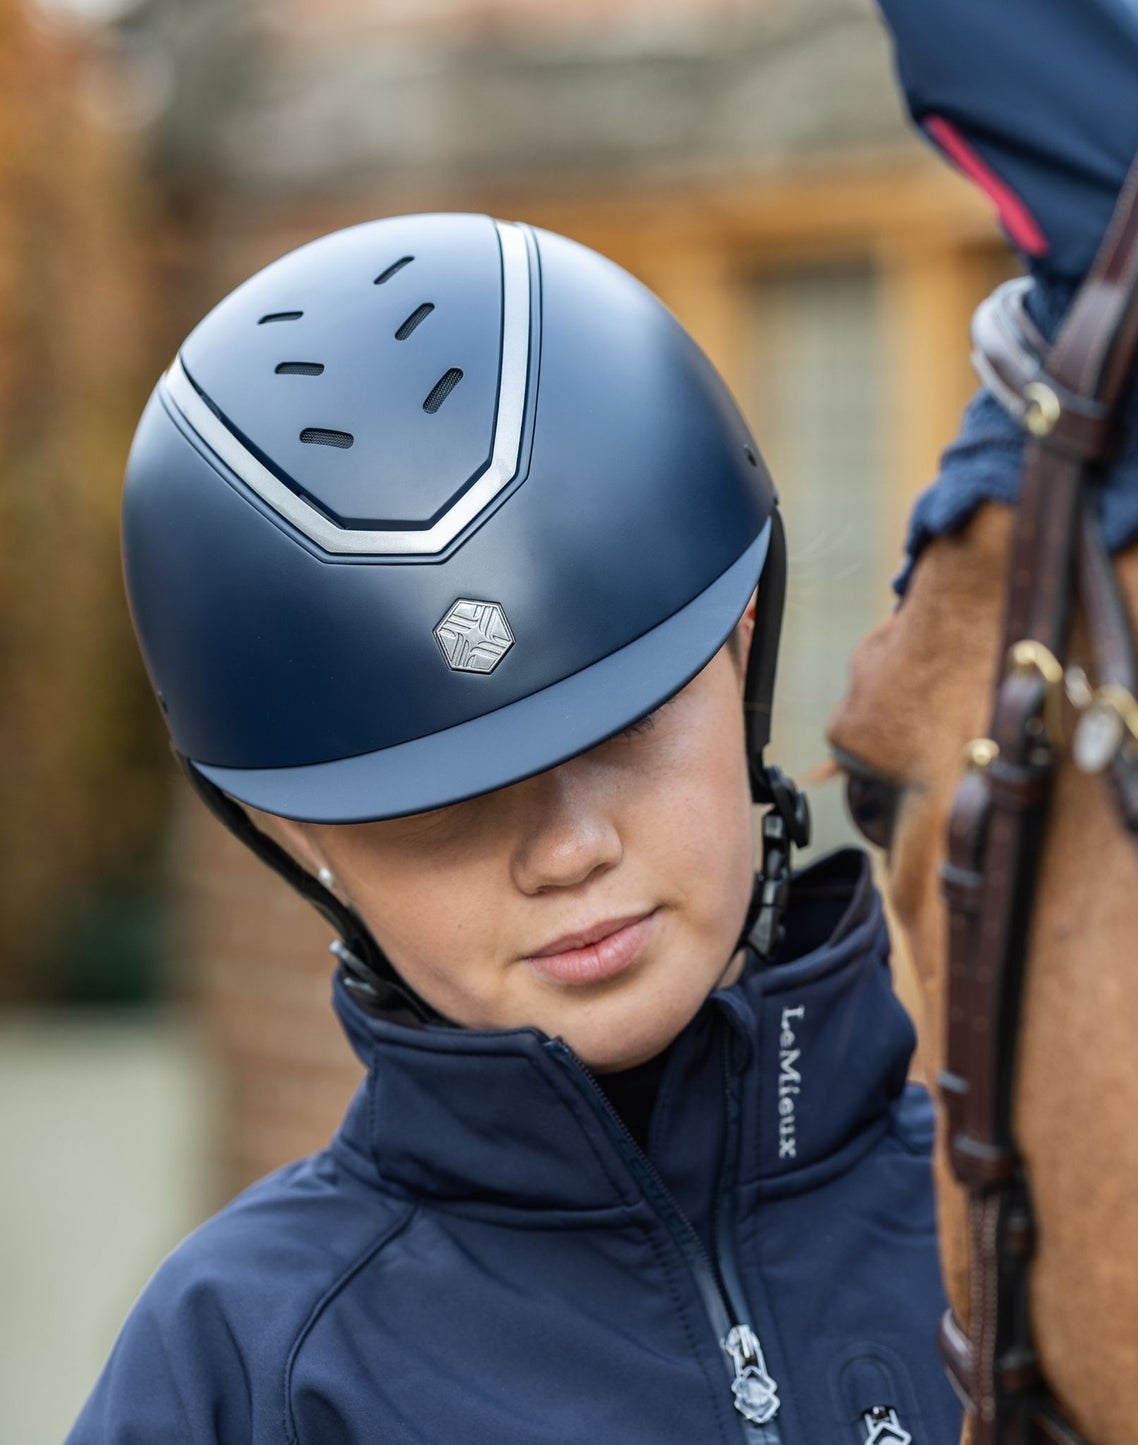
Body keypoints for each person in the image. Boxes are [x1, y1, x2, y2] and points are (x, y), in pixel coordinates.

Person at [67, 213, 960, 1444]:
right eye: (438, 799)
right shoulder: (241, 1367)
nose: (566, 849)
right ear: (291, 827)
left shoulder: (1040, 1223)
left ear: (740, 638)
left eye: (627, 723)